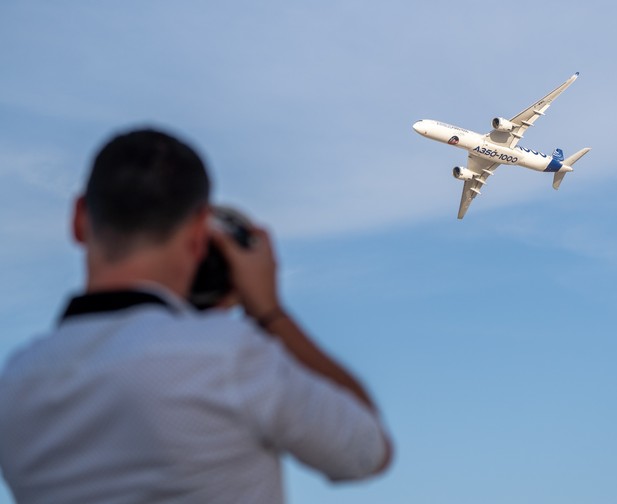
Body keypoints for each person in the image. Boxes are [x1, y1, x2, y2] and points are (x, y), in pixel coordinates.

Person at [0, 128, 391, 503]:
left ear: (79, 218)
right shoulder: (228, 360)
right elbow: (368, 451)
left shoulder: (16, 383)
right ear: (197, 235)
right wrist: (270, 314)